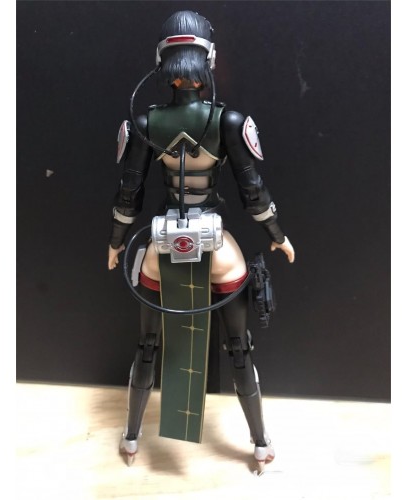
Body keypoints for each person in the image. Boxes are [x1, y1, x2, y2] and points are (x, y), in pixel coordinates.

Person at [108, 10, 294, 470]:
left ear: (163, 63)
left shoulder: (145, 124)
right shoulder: (229, 121)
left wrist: (115, 242)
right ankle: (260, 443)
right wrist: (277, 236)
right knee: (239, 348)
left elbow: (128, 195)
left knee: (147, 347)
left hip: (161, 246)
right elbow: (254, 192)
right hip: (217, 248)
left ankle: (130, 439)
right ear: (208, 59)